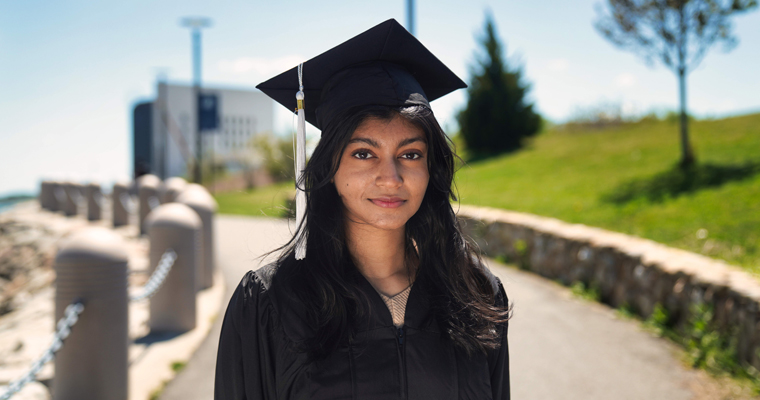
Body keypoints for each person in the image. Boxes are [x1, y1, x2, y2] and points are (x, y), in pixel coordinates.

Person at [214, 18, 512, 400]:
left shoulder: (477, 296)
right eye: (364, 153)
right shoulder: (272, 304)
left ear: (430, 169)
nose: (391, 178)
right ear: (330, 169)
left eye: (410, 154)